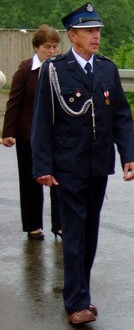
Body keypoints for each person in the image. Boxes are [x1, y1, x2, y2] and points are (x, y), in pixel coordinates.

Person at [30, 3, 134, 325]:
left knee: (90, 234)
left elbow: (121, 116)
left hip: (98, 165)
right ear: (73, 35)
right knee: (74, 234)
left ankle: (82, 294)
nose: (96, 36)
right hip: (67, 166)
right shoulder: (55, 70)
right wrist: (43, 167)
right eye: (89, 31)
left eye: (98, 31)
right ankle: (76, 302)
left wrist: (128, 156)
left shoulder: (106, 68)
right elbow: (42, 122)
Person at [2, 25, 62, 240]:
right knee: (30, 181)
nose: (52, 51)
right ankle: (33, 225)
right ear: (37, 47)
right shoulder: (26, 70)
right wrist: (8, 132)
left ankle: (60, 225)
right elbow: (14, 102)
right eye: (48, 47)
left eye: (55, 47)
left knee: (59, 180)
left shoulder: (62, 69)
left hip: (57, 135)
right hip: (29, 135)